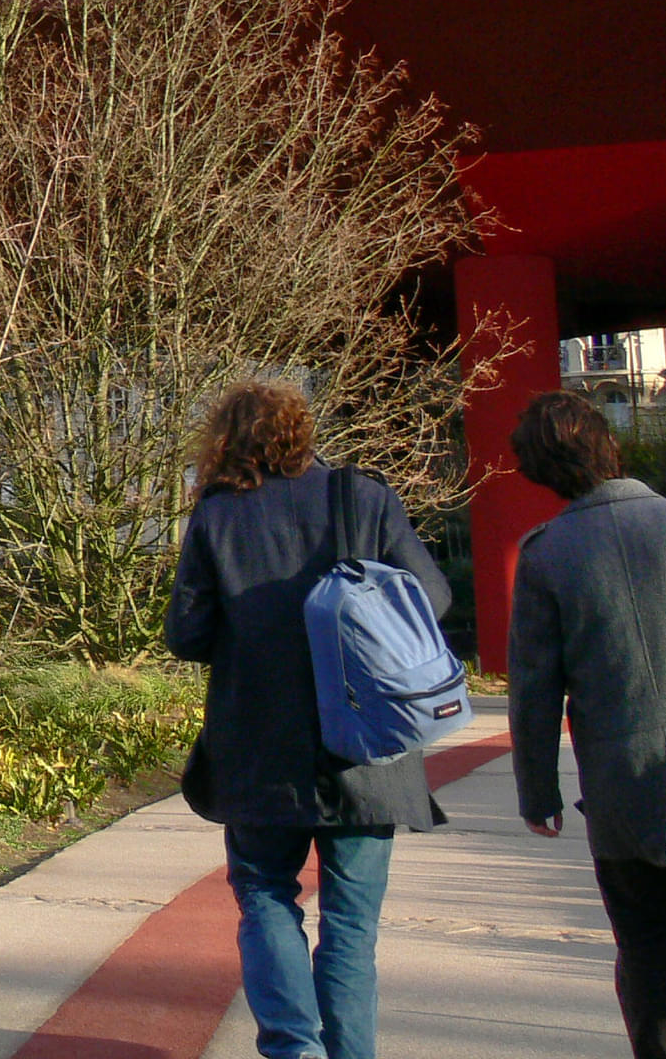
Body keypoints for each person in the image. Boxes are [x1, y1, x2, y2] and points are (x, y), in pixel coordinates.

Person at [167, 381, 449, 1059]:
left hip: (259, 746)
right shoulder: (366, 499)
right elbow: (433, 598)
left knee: (265, 892)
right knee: (352, 922)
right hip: (367, 745)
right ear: (304, 433)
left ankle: (295, 1050)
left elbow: (186, 635)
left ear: (227, 442)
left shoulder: (217, 519)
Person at [509, 388, 666, 1059]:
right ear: (609, 444)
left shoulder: (546, 555)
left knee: (645, 948)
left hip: (619, 781)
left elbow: (534, 690)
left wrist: (537, 791)